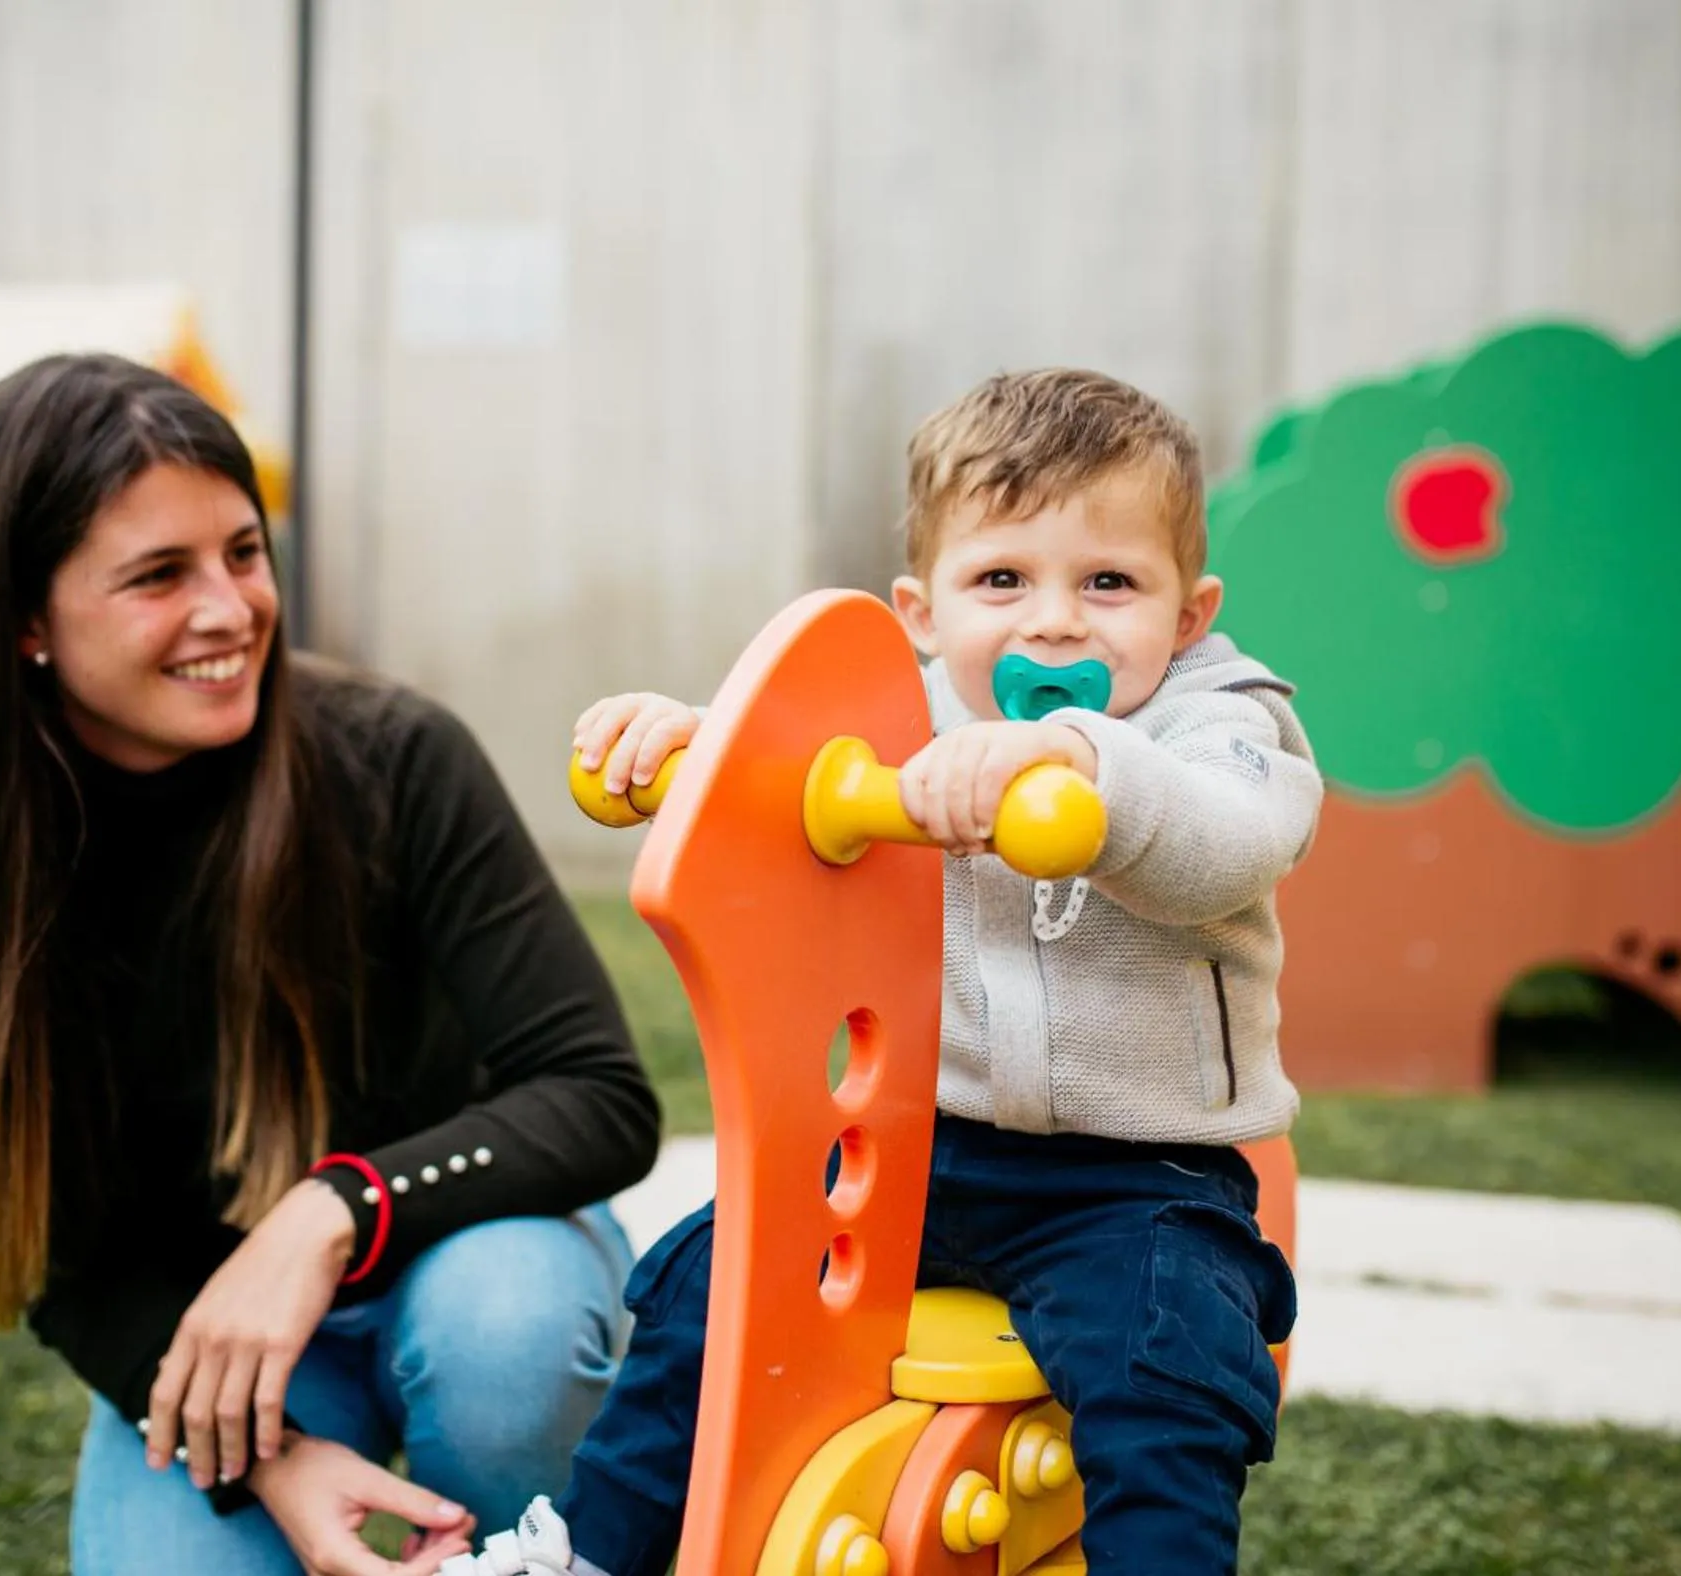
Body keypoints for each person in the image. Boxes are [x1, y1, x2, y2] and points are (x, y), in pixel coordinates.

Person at [458, 369, 1318, 1576]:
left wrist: (1075, 757)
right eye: (1001, 580)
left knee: (1164, 1362)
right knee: (716, 1284)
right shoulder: (902, 714)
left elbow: (1227, 836)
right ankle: (590, 1552)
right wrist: (693, 738)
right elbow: (792, 756)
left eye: (1108, 582)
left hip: (1141, 1174)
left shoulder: (1220, 726)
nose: (1054, 622)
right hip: (918, 1153)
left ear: (1187, 613)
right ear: (920, 610)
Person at [0, 352, 661, 1576]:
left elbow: (599, 1096)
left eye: (242, 552)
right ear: (26, 618)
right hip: (209, 1348)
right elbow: (68, 1259)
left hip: (469, 1259)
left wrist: (331, 1210)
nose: (230, 608)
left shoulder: (396, 758)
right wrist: (273, 1461)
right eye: (156, 576)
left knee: (509, 1338)